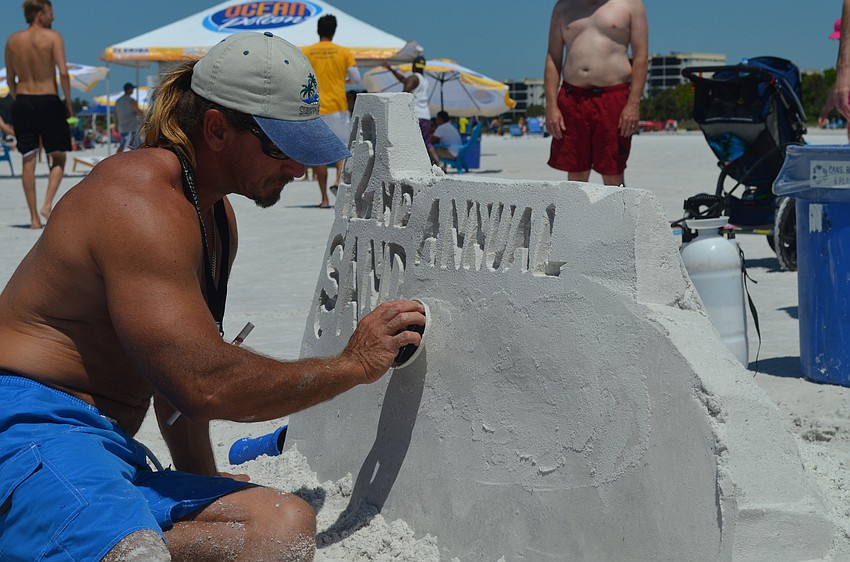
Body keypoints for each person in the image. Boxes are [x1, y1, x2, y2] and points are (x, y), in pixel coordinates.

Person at [0, 31, 425, 562]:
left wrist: (201, 475)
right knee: (135, 552)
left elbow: (176, 385)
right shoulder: (138, 202)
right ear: (218, 128)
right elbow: (203, 382)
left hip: (106, 451)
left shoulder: (215, 217)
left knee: (282, 526)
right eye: (282, 148)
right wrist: (352, 366)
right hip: (28, 431)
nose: (297, 168)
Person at [544, 0, 648, 187]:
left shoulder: (630, 5)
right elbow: (553, 57)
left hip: (613, 96)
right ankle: (576, 216)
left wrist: (633, 103)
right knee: (576, 173)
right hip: (572, 96)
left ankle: (616, 217)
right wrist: (551, 106)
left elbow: (641, 57)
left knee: (613, 171)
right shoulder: (563, 7)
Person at [4, 0, 73, 228]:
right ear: (39, 13)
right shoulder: (53, 37)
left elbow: (11, 79)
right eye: (50, 13)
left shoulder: (12, 40)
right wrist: (68, 102)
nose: (53, 17)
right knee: (59, 156)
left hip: (23, 101)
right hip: (49, 100)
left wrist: (19, 98)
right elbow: (63, 72)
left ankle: (34, 218)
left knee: (28, 159)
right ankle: (47, 204)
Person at [302, 14, 360, 208]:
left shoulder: (307, 52)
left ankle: (324, 200)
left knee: (320, 153)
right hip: (338, 107)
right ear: (334, 31)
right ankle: (337, 183)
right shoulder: (343, 52)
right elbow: (356, 78)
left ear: (318, 31)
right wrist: (344, 81)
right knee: (342, 150)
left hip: (315, 108)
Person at [383, 56, 435, 164]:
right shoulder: (424, 80)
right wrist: (391, 69)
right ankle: (437, 163)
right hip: (425, 115)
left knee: (410, 142)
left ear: (413, 66)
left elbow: (405, 92)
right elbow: (404, 80)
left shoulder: (413, 78)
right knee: (426, 142)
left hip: (415, 115)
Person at [114, 82, 144, 153]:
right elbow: (137, 110)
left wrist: (116, 124)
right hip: (131, 126)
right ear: (129, 89)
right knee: (133, 145)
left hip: (122, 126)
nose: (133, 90)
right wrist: (143, 115)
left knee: (127, 144)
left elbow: (115, 114)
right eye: (132, 89)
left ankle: (119, 158)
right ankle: (116, 159)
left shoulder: (118, 101)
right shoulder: (131, 100)